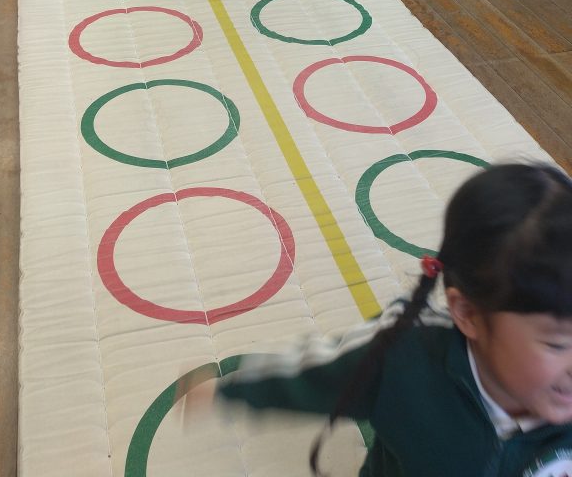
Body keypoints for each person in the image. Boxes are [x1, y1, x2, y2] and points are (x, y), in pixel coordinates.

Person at [214, 162, 572, 477]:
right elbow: (317, 374)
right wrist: (228, 385)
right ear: (468, 314)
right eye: (558, 343)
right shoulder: (402, 358)